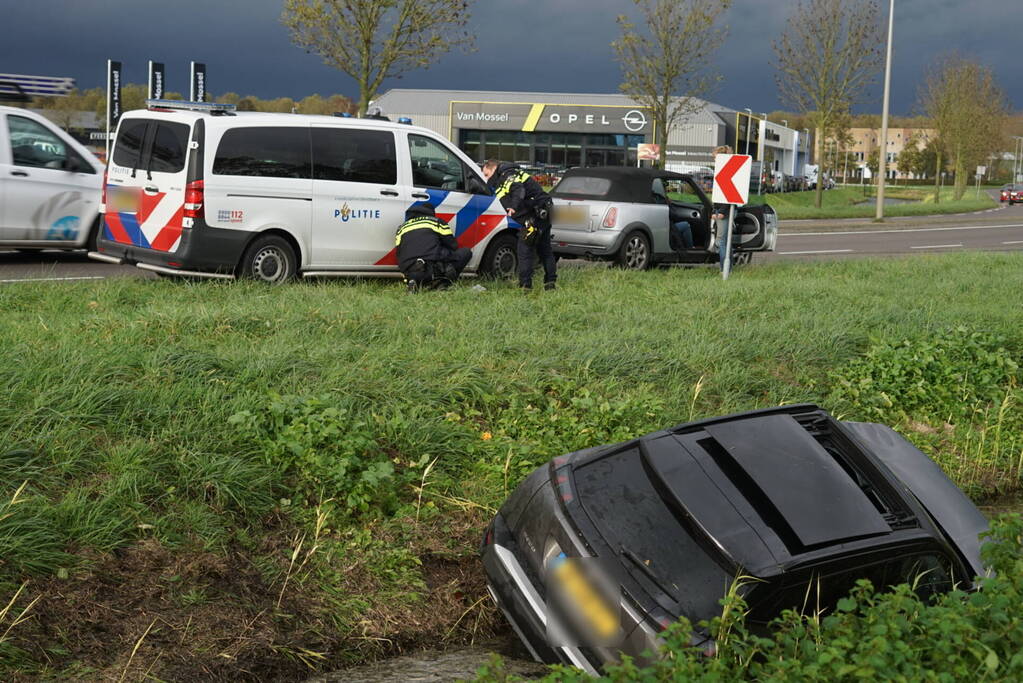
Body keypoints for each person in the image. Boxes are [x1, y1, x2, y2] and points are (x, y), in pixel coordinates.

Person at [482, 160, 556, 290]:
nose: (486, 179)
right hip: (542, 211)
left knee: (524, 250)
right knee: (545, 249)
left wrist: (513, 206)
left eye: (487, 174)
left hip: (535, 215)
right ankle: (550, 283)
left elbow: (518, 189)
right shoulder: (505, 177)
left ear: (493, 169)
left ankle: (525, 286)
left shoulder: (507, 175)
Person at [394, 203, 471, 291]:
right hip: (432, 269)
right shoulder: (436, 222)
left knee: (417, 270)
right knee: (466, 252)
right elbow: (453, 245)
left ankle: (415, 281)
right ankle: (443, 283)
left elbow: (399, 252)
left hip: (409, 272)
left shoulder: (401, 228)